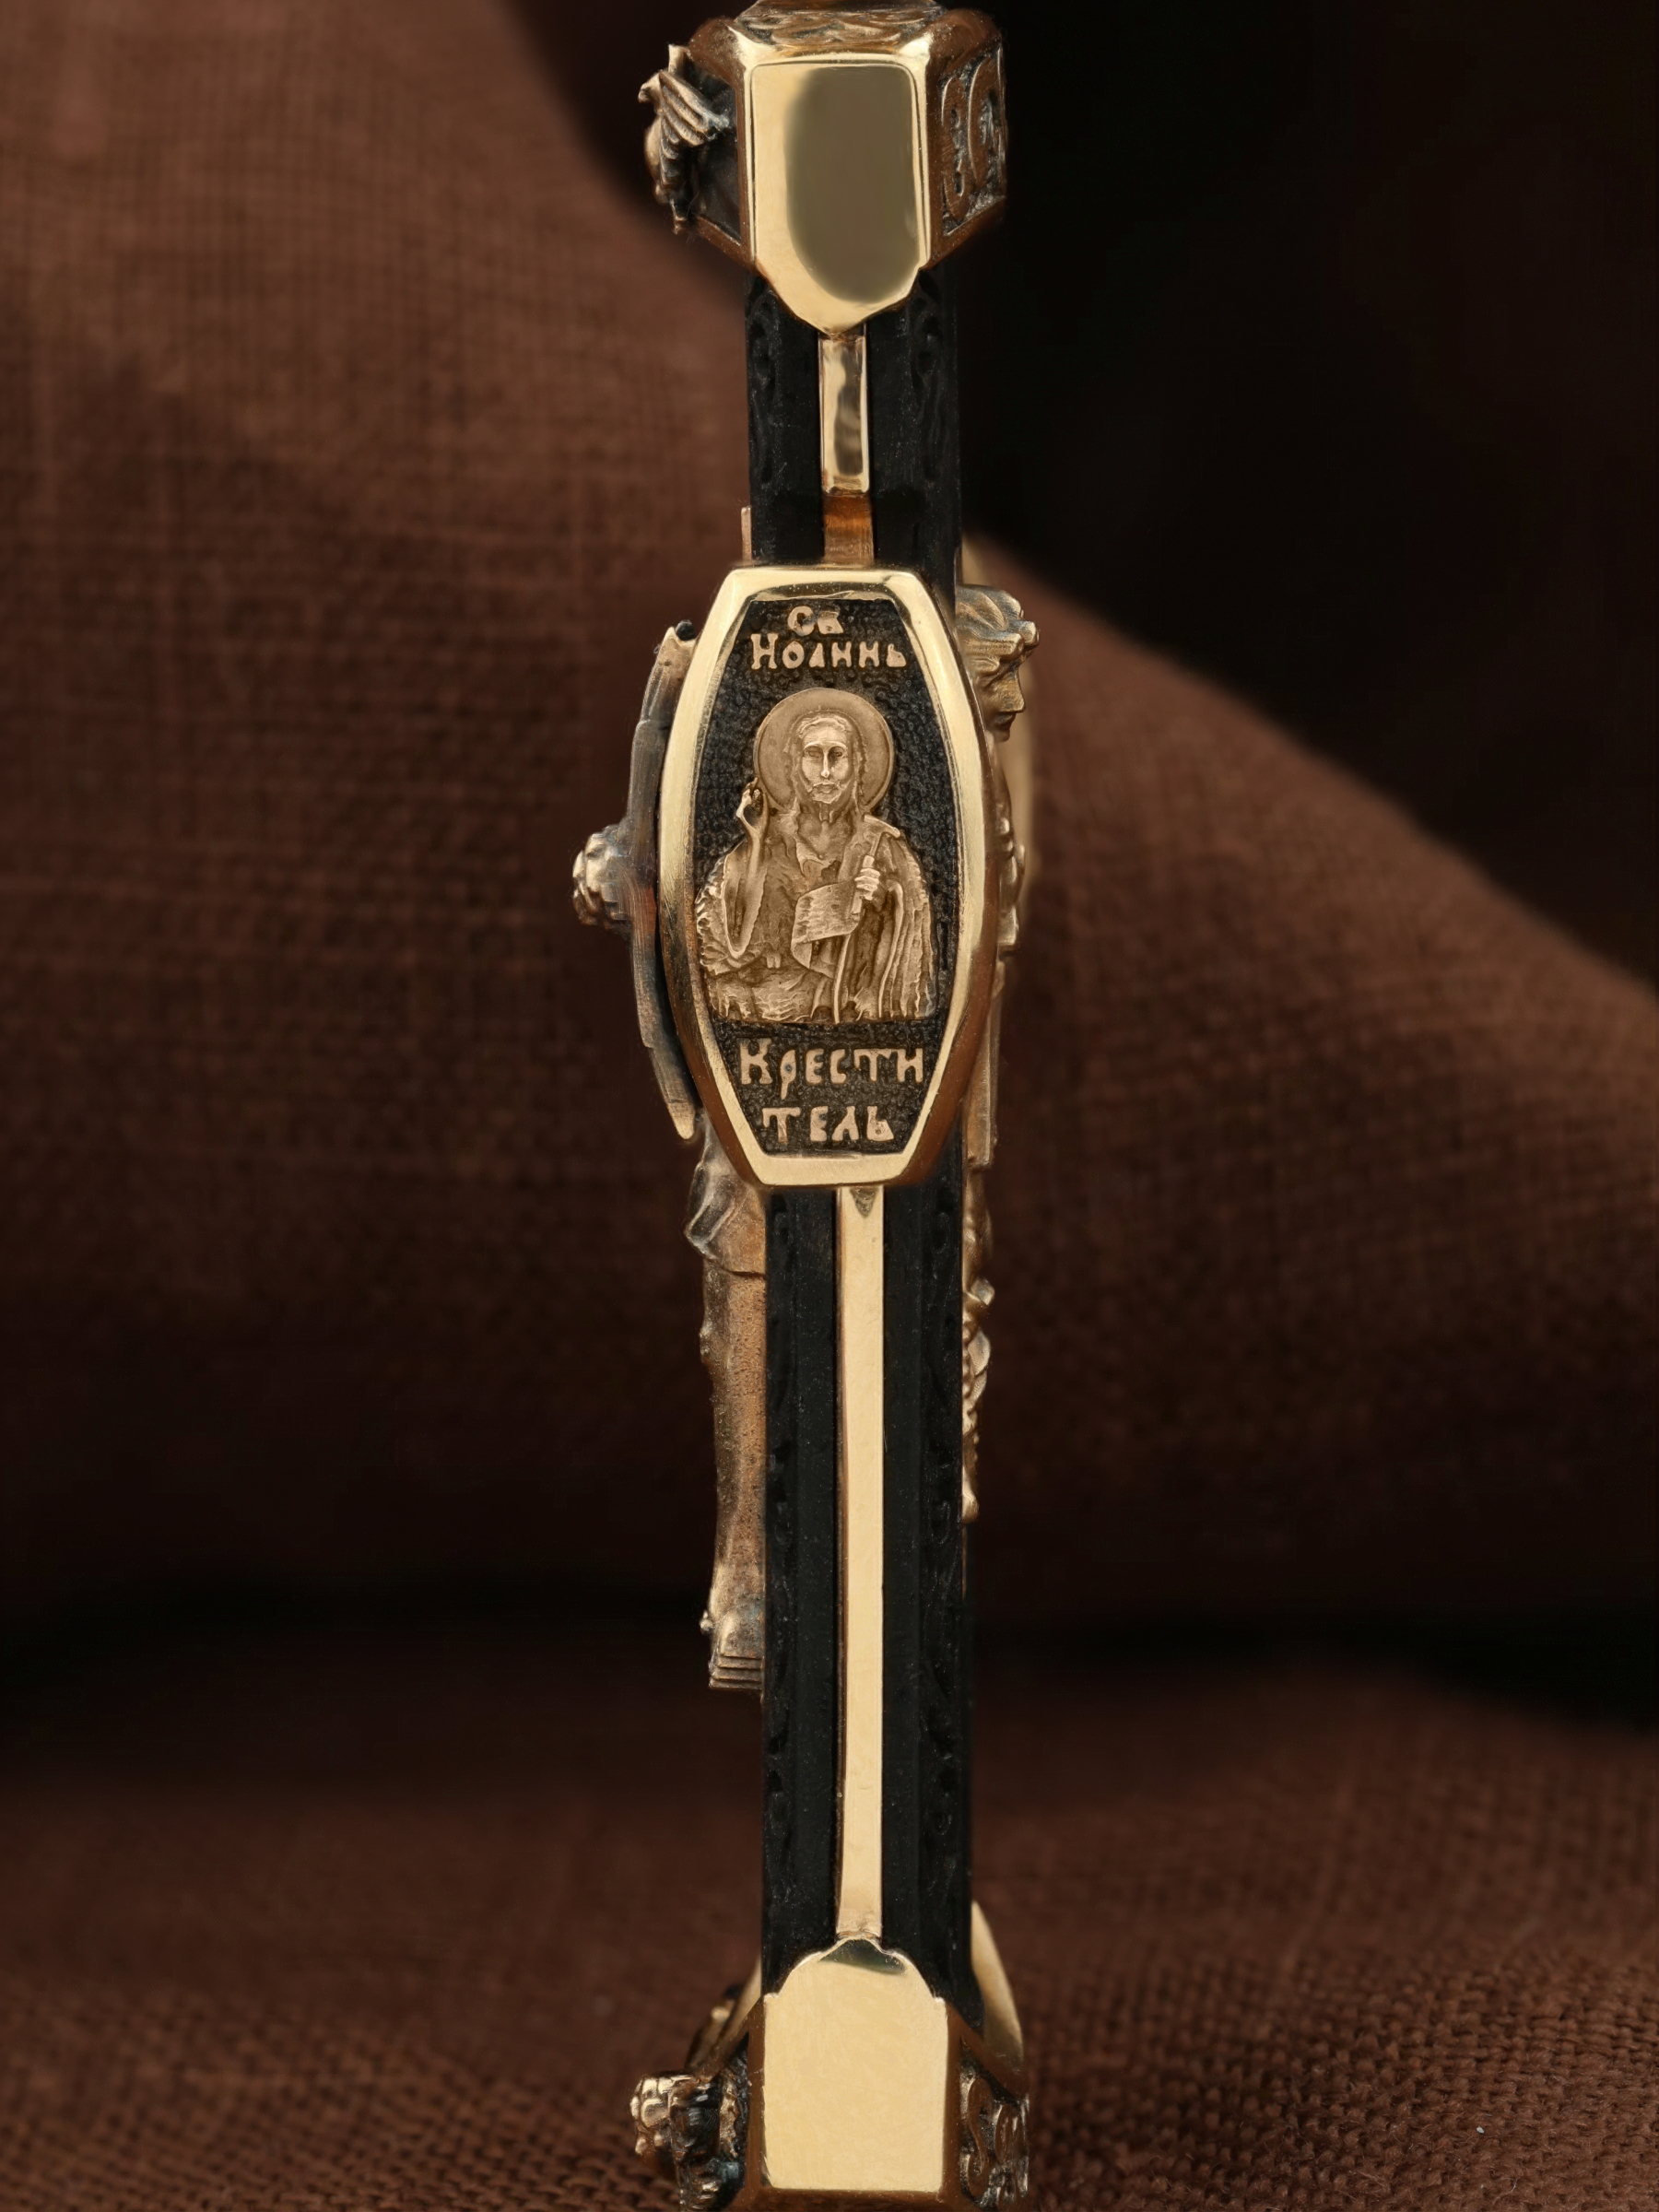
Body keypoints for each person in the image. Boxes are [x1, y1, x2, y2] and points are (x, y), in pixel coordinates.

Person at [696, 690, 935, 1024]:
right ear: (793, 767)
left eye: (837, 756)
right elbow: (717, 944)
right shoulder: (766, 839)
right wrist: (756, 843)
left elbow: (913, 932)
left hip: (846, 1008)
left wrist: (883, 898)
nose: (825, 772)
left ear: (857, 767)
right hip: (770, 1007)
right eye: (812, 755)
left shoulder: (882, 845)